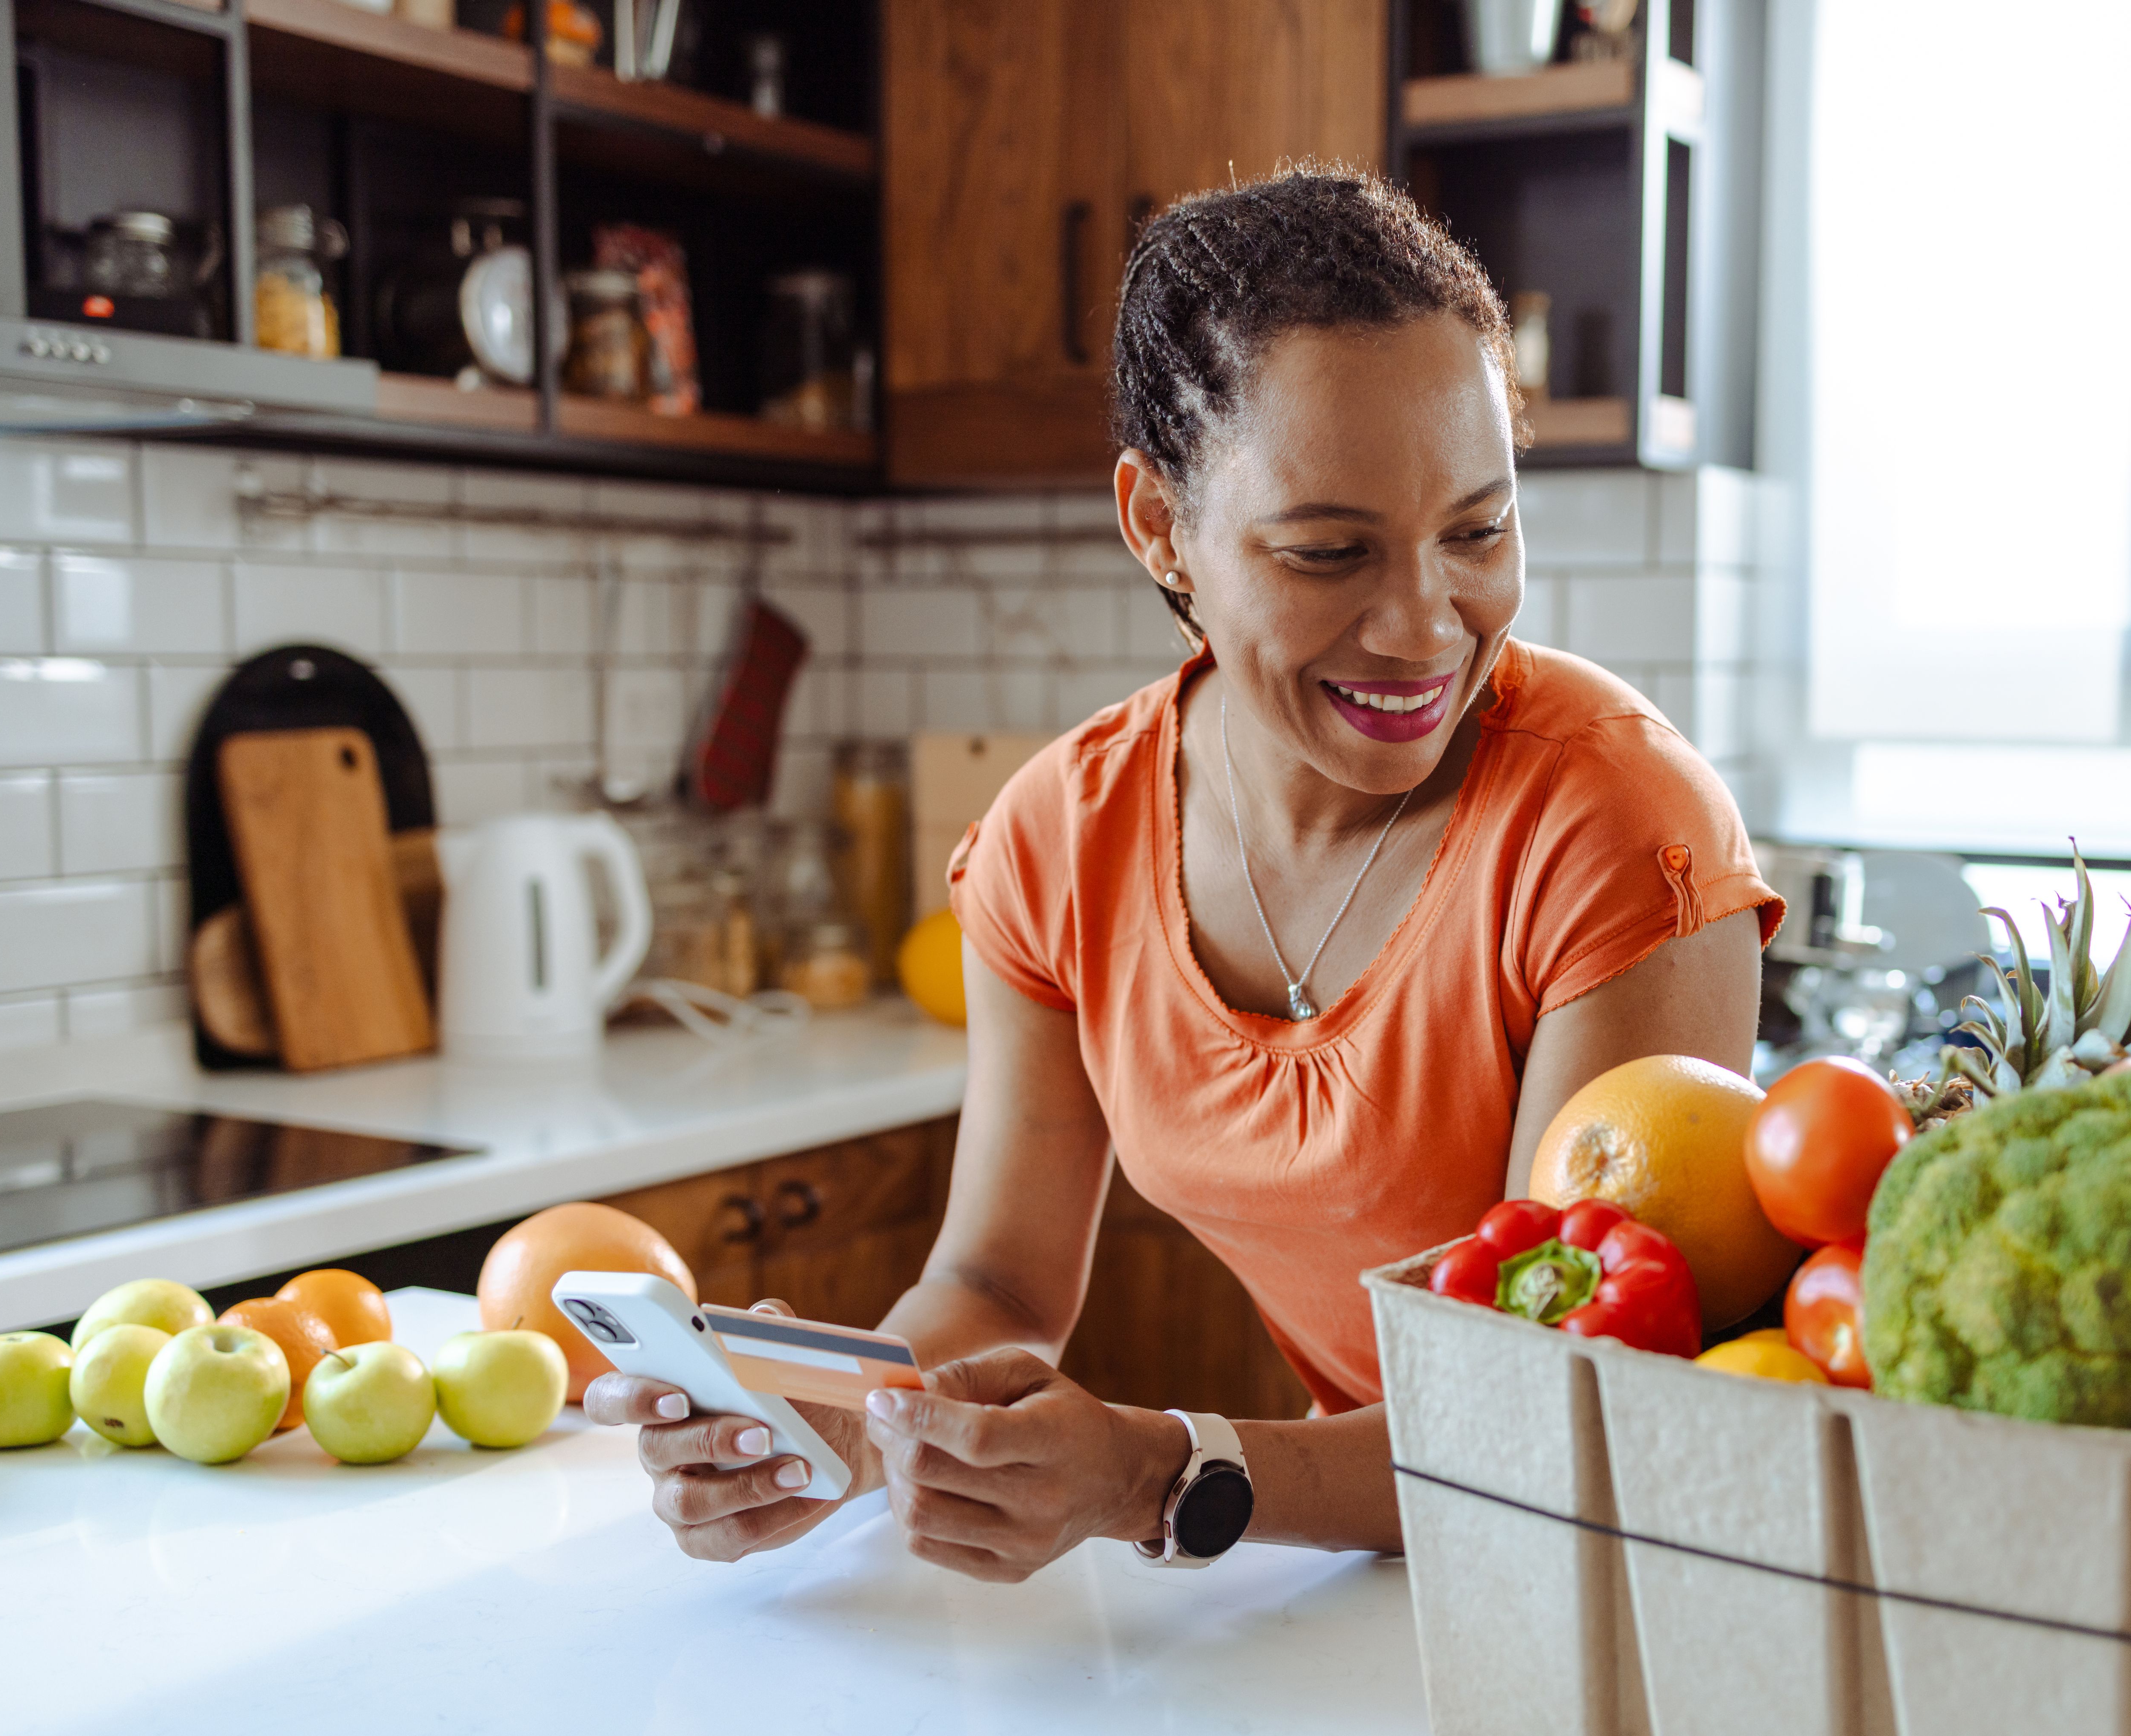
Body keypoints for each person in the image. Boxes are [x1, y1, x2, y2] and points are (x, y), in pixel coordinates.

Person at [587, 167, 1780, 1579]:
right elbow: (995, 1284)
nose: (1426, 625)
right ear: (1158, 528)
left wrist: (1167, 1470)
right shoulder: (1056, 844)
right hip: (1410, 1564)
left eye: (1481, 530)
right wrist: (857, 1426)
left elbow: (1550, 1416)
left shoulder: (1616, 831)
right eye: (1329, 551)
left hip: (1675, 1573)